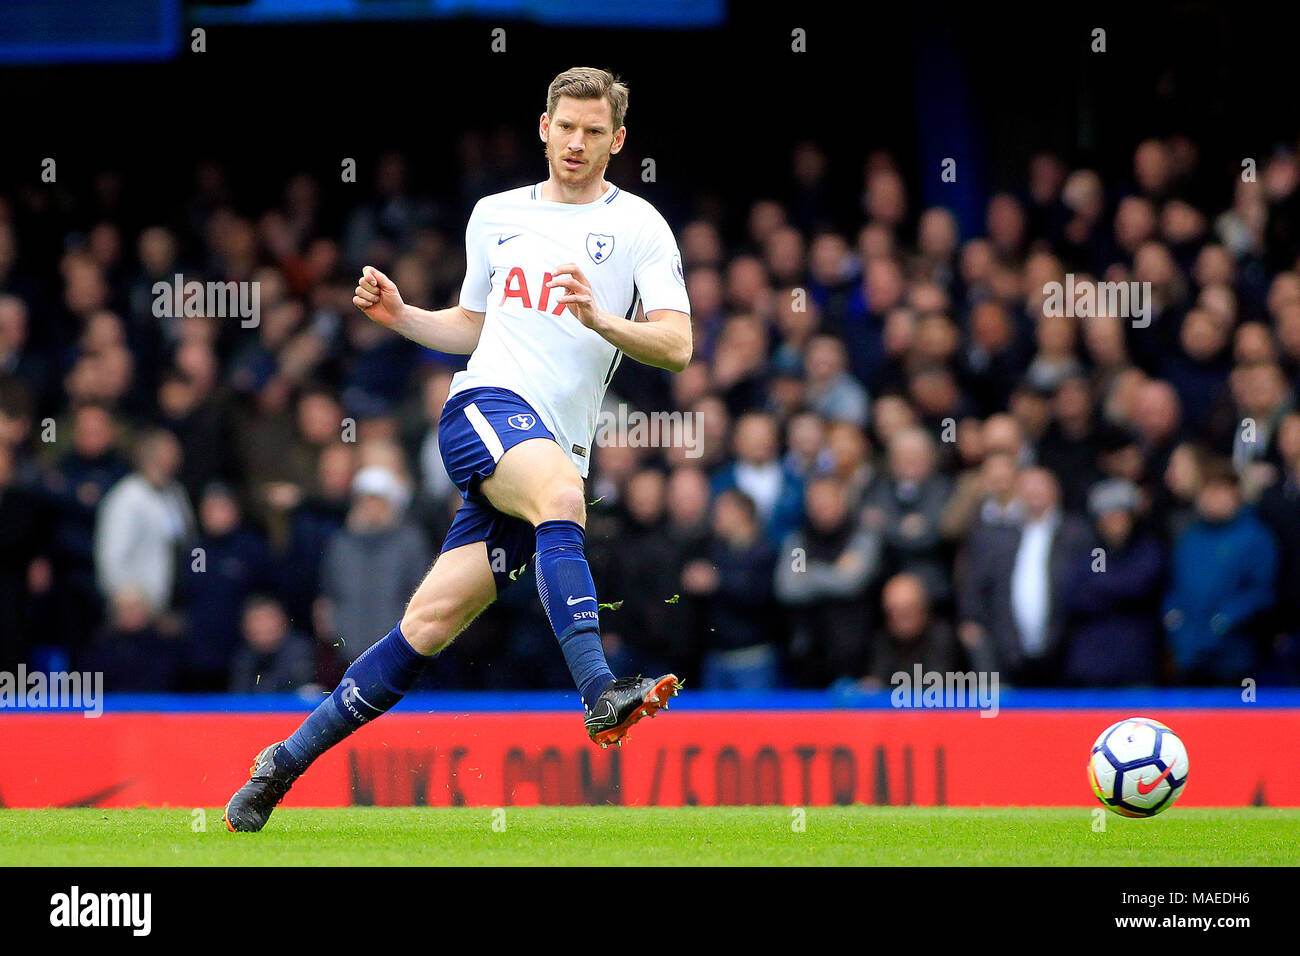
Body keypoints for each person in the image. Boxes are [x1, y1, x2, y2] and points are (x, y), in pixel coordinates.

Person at [225, 67, 692, 831]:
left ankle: (282, 761)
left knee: (428, 626)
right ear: (543, 126)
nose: (576, 143)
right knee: (563, 500)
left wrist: (604, 321)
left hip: (551, 447)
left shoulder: (640, 225)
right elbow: (475, 329)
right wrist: (406, 316)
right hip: (483, 409)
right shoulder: (495, 215)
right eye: (564, 127)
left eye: (593, 131)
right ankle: (600, 691)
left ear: (618, 140)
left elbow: (677, 344)